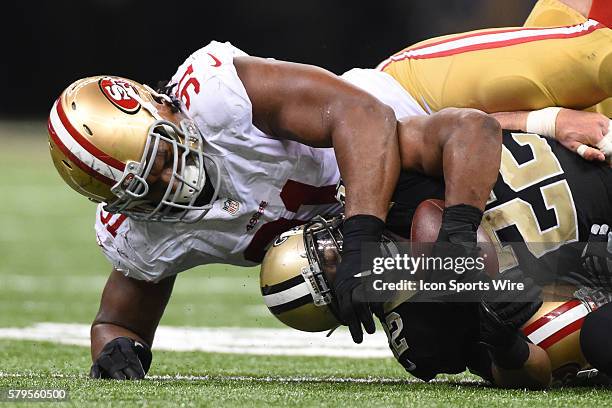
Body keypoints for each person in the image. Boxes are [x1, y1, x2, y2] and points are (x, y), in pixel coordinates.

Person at [261, 118, 612, 388]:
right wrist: (504, 344)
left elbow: (475, 125)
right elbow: (536, 374)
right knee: (559, 335)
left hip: (598, 154)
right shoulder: (419, 334)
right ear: (343, 309)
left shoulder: (378, 179)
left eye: (327, 243)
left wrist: (458, 227)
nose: (344, 249)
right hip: (594, 261)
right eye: (336, 268)